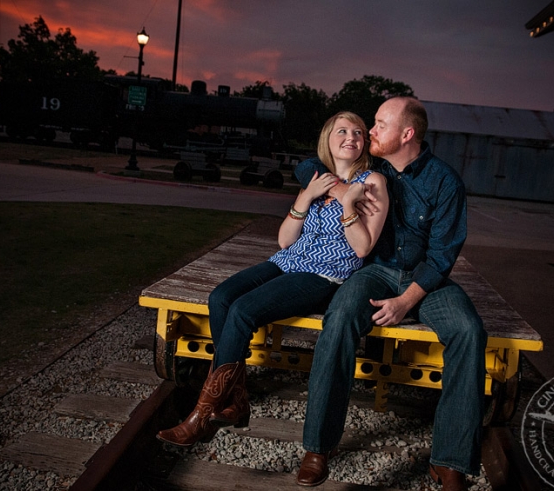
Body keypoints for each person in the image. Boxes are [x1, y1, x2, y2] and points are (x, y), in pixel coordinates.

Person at [156, 111, 389, 449]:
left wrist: (348, 203)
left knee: (243, 311)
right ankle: (236, 401)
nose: (350, 137)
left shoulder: (372, 183)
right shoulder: (317, 179)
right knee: (221, 297)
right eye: (342, 131)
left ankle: (202, 416)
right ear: (327, 138)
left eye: (357, 132)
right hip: (287, 261)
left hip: (325, 274)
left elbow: (363, 246)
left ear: (365, 143)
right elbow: (284, 241)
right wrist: (305, 197)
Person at [294, 97, 486, 491]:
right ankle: (318, 447)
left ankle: (450, 462)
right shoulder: (371, 168)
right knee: (340, 316)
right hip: (375, 272)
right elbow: (307, 166)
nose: (371, 132)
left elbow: (443, 254)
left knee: (469, 331)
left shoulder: (444, 181)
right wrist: (338, 188)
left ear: (407, 134)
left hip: (424, 280)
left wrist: (406, 301)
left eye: (380, 124)